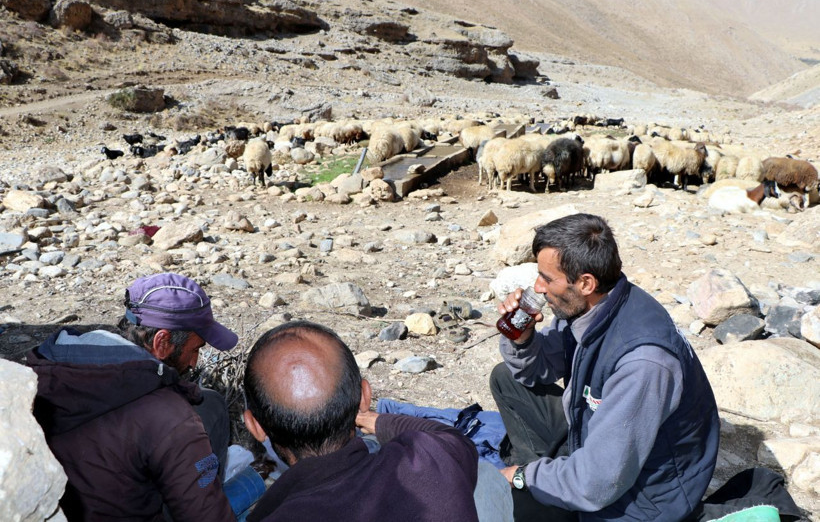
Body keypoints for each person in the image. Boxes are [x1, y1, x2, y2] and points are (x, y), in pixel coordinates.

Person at [491, 213, 720, 522]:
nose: (538, 287)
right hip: (600, 447)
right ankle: (548, 477)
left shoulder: (643, 362)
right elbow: (535, 369)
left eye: (547, 278)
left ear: (586, 282)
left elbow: (599, 482)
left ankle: (543, 483)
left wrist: (522, 477)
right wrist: (523, 338)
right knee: (506, 378)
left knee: (498, 507)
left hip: (641, 498)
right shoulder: (596, 305)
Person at [28, 272, 238, 522]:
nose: (194, 362)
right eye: (195, 349)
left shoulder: (43, 369)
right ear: (162, 342)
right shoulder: (171, 416)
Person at [242, 320, 482, 522]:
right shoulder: (432, 459)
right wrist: (374, 420)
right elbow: (450, 437)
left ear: (255, 427)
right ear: (365, 397)